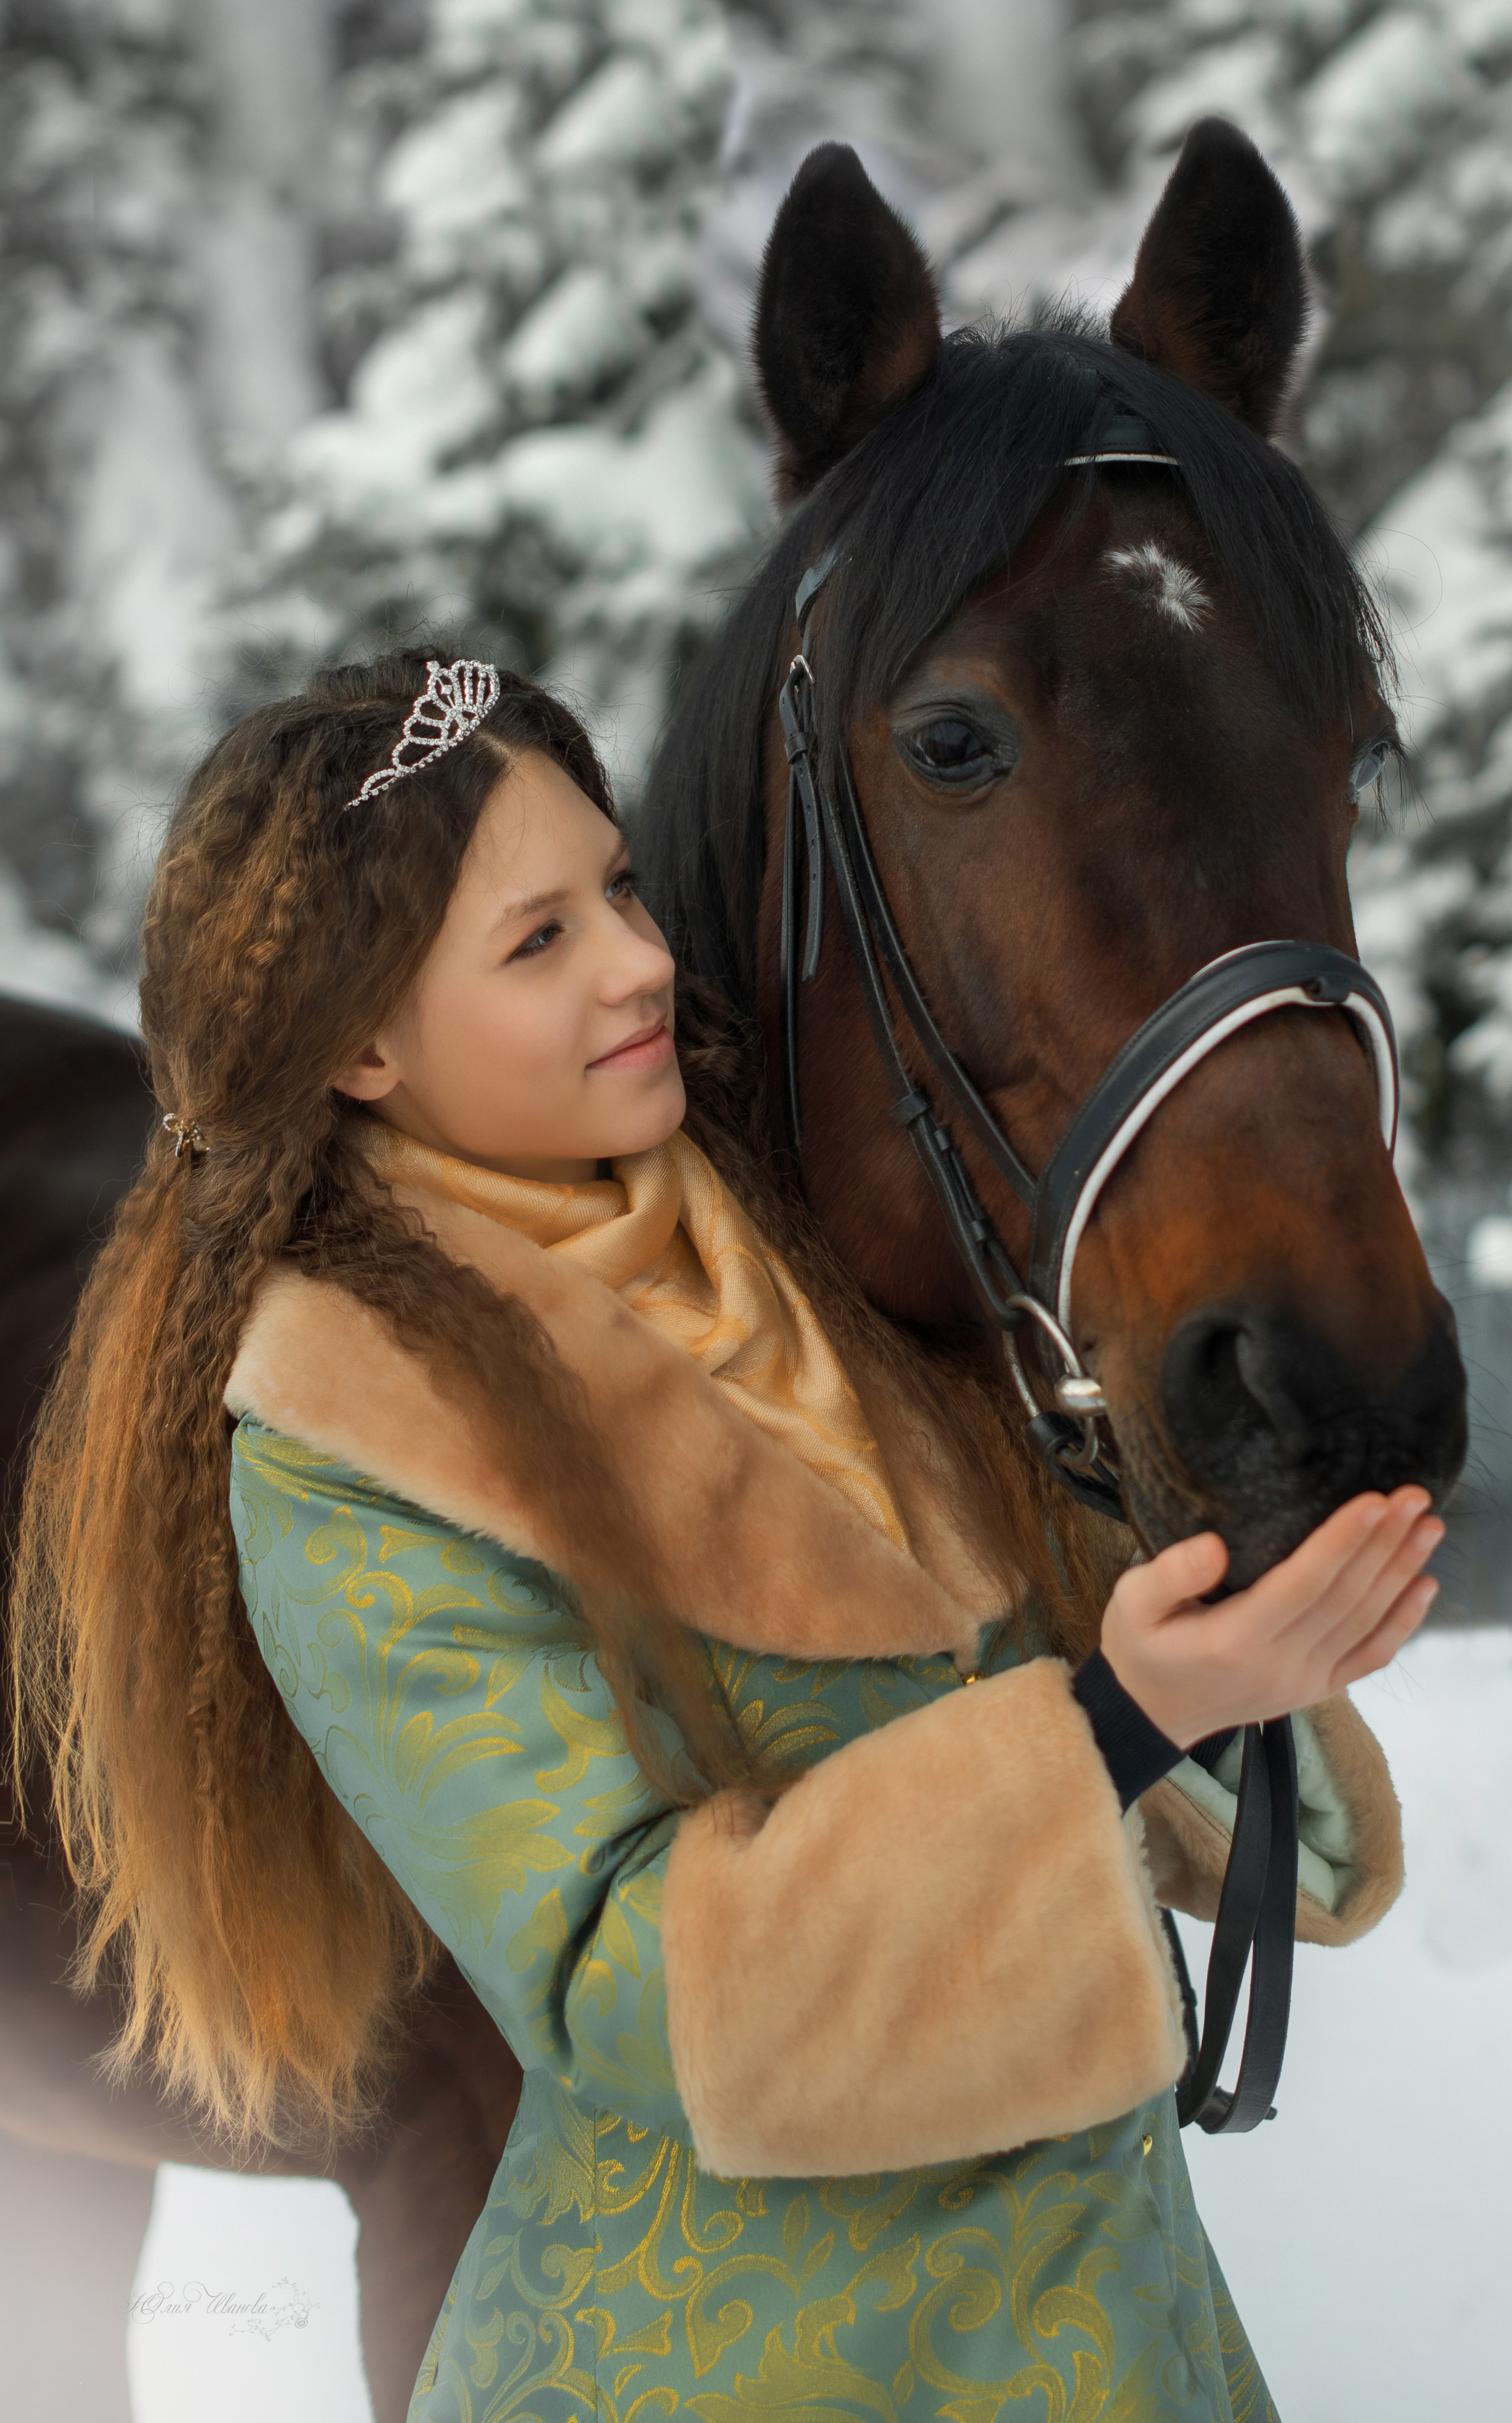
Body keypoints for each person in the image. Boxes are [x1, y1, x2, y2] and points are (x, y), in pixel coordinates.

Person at [12, 651, 1440, 2422]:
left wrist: (1244, 1641)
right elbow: (618, 1983)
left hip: (1107, 2320)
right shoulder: (349, 1445)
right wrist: (1115, 1723)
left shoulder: (820, 1266)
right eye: (537, 942)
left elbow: (1140, 1762)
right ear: (359, 1044)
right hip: (739, 2366)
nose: (637, 961)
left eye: (615, 888)